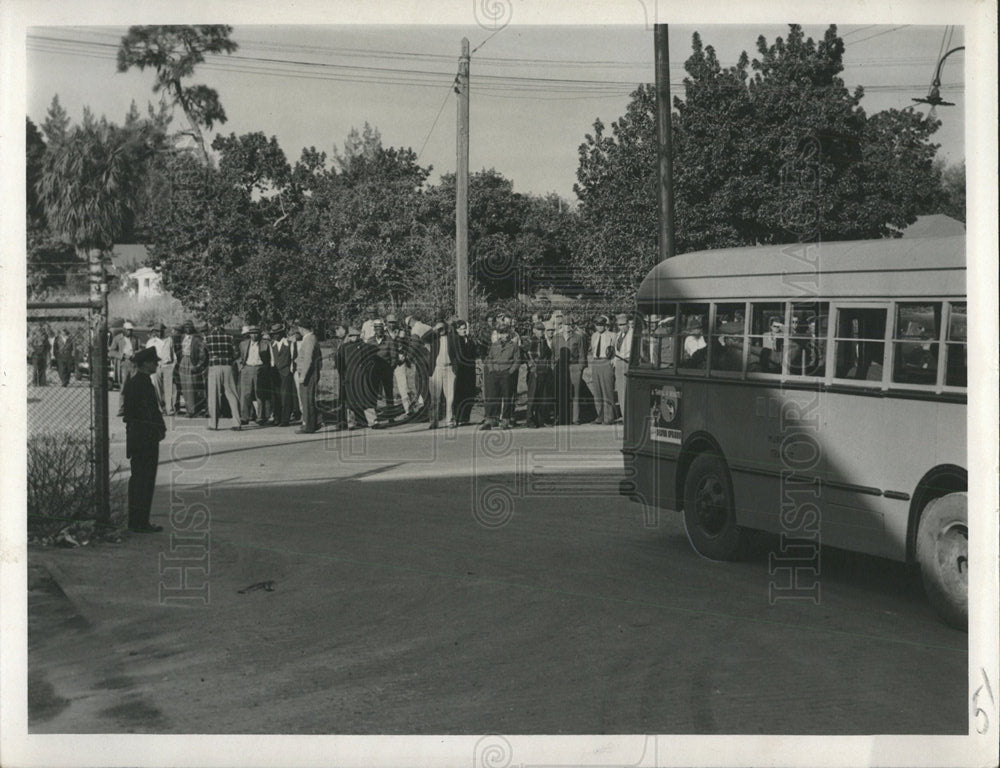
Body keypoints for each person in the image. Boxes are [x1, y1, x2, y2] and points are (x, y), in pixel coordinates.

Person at [121, 346, 166, 533]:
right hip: (144, 438)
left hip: (139, 437)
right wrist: (156, 429)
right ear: (146, 363)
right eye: (154, 361)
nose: (156, 364)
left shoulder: (137, 382)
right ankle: (139, 522)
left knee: (140, 480)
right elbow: (146, 413)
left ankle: (138, 521)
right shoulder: (142, 383)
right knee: (144, 481)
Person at [480, 319, 520, 430]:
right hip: (495, 373)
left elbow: (517, 360)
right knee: (493, 396)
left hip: (506, 373)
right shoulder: (494, 345)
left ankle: (505, 420)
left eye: (505, 333)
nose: (503, 335)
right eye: (501, 333)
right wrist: (492, 370)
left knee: (506, 397)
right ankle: (491, 420)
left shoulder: (513, 346)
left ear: (509, 334)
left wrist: (510, 371)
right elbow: (489, 358)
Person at [203, 319, 243, 431]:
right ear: (223, 324)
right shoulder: (230, 336)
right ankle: (236, 422)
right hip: (228, 366)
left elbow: (204, 354)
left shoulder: (207, 337)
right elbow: (237, 353)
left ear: (212, 324)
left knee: (214, 396)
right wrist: (229, 359)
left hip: (214, 366)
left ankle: (213, 424)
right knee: (232, 394)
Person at [338, 326, 378, 429]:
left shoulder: (365, 346)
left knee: (366, 399)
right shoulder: (344, 347)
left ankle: (372, 421)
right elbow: (339, 362)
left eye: (356, 335)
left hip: (363, 378)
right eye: (352, 336)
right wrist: (343, 374)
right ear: (349, 336)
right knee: (351, 402)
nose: (354, 338)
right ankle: (351, 423)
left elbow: (371, 360)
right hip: (350, 377)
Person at [552, 314, 587, 425]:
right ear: (561, 325)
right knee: (561, 392)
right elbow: (553, 354)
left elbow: (582, 354)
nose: (567, 326)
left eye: (569, 324)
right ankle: (562, 417)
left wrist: (580, 368)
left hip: (574, 366)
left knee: (575, 393)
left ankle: (575, 418)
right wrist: (554, 367)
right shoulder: (556, 337)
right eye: (565, 324)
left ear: (572, 325)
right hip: (561, 367)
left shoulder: (578, 337)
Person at [294, 318, 323, 434]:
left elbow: (308, 359)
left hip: (308, 374)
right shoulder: (310, 338)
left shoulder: (309, 339)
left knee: (307, 400)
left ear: (301, 328)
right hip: (310, 373)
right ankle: (313, 423)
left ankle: (308, 426)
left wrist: (303, 376)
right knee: (307, 399)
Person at [238, 325, 271, 425]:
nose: (254, 335)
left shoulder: (265, 344)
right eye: (252, 333)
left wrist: (265, 368)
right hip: (247, 368)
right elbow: (240, 356)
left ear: (259, 334)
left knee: (259, 394)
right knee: (245, 394)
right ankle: (245, 417)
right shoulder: (243, 344)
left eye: (256, 333)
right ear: (249, 334)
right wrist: (241, 367)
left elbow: (269, 358)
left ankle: (261, 417)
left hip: (259, 368)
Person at [427, 321, 457, 429]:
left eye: (442, 328)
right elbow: (423, 338)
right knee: (435, 397)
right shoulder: (434, 338)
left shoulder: (452, 338)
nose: (441, 331)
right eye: (439, 329)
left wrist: (455, 369)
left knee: (450, 396)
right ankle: (434, 421)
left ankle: (450, 420)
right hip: (436, 369)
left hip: (449, 368)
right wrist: (434, 329)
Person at [589, 315, 617, 425]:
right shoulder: (594, 336)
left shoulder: (612, 335)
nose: (599, 327)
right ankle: (599, 416)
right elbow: (593, 350)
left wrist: (612, 363)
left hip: (606, 362)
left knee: (607, 390)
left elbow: (615, 351)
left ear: (605, 325)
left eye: (601, 325)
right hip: (596, 362)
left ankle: (609, 417)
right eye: (597, 325)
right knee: (597, 391)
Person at [526, 321, 554, 428]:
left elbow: (548, 355)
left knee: (543, 396)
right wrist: (532, 367)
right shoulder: (530, 341)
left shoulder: (544, 341)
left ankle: (540, 419)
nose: (541, 332)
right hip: (534, 372)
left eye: (542, 330)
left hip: (544, 372)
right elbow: (527, 356)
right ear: (534, 330)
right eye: (539, 330)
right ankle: (530, 419)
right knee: (532, 396)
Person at [177, 321, 207, 417]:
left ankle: (193, 410)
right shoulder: (182, 337)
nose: (187, 329)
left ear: (192, 327)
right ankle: (188, 409)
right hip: (183, 361)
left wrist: (198, 365)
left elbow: (202, 353)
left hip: (192, 361)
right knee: (184, 386)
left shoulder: (197, 339)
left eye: (189, 327)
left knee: (191, 386)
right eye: (186, 327)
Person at [145, 323, 177, 414]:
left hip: (168, 366)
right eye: (156, 331)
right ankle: (159, 408)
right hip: (157, 366)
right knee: (156, 387)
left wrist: (174, 364)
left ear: (163, 330)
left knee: (169, 388)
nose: (158, 333)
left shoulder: (169, 340)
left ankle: (169, 409)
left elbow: (173, 353)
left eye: (160, 331)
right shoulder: (151, 342)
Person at [268, 323, 295, 427]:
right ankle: (277, 418)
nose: (275, 336)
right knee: (276, 396)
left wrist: (290, 370)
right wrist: (272, 370)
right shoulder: (272, 344)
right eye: (273, 334)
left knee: (285, 396)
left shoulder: (289, 343)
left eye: (277, 334)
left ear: (282, 333)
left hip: (286, 372)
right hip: (276, 372)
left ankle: (285, 419)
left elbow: (292, 357)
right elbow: (272, 359)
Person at [109, 320, 138, 416]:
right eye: (128, 330)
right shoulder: (117, 339)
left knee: (134, 387)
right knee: (124, 386)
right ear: (124, 330)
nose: (130, 332)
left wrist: (135, 354)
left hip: (134, 364)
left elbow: (139, 349)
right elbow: (111, 352)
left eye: (131, 330)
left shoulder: (135, 339)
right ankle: (122, 409)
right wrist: (122, 355)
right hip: (123, 364)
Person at [452, 319, 478, 425]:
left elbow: (474, 352)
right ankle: (457, 416)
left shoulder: (469, 340)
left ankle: (465, 417)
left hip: (470, 370)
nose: (463, 331)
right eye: (461, 329)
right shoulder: (456, 340)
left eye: (464, 328)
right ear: (457, 330)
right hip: (460, 370)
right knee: (459, 394)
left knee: (469, 393)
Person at [368, 319, 395, 415]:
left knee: (389, 393)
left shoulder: (389, 340)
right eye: (376, 328)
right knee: (373, 392)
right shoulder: (370, 341)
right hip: (374, 371)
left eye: (380, 328)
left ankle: (391, 414)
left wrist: (390, 368)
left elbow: (393, 356)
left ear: (383, 329)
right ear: (374, 329)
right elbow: (367, 356)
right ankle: (374, 414)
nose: (378, 330)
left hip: (386, 370)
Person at [612, 312, 633, 421]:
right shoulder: (618, 335)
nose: (622, 327)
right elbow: (616, 350)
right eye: (619, 325)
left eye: (624, 324)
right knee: (620, 390)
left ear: (628, 323)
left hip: (627, 362)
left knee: (628, 390)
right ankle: (624, 415)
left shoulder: (632, 334)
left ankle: (629, 415)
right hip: (619, 364)